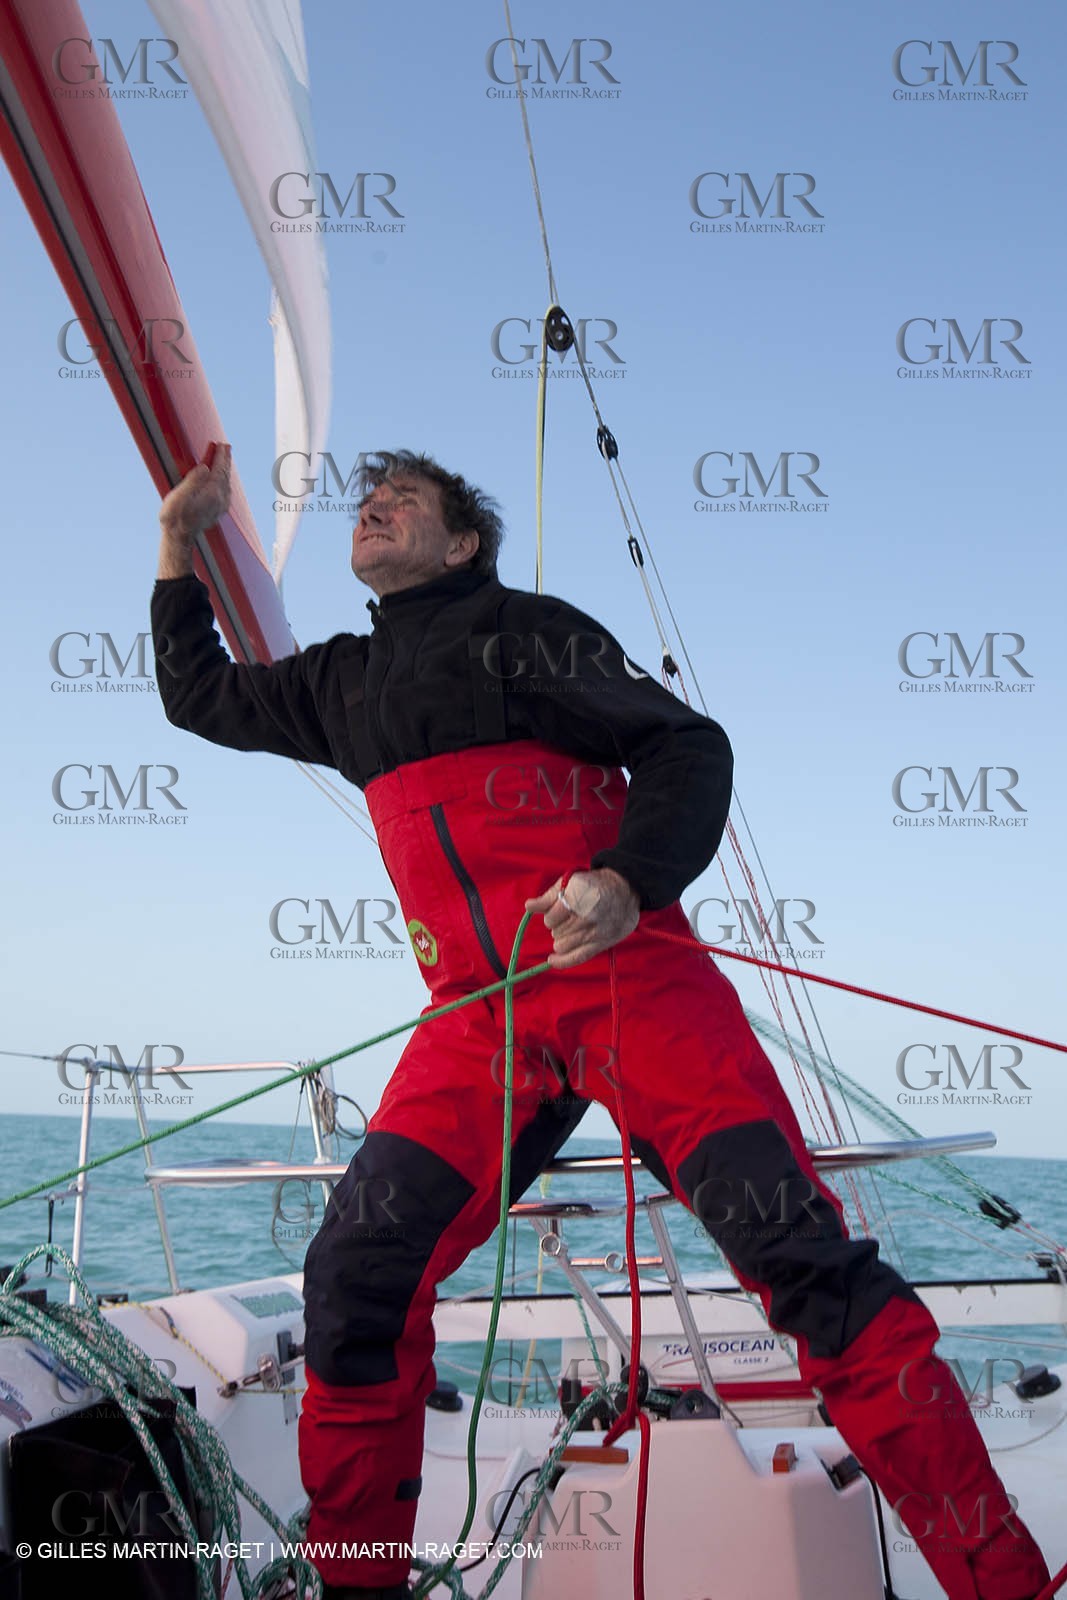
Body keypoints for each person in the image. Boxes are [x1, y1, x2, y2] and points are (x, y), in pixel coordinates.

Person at [152, 444, 1050, 1600]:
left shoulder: (530, 629)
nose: (371, 508)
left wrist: (627, 877)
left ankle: (1004, 1582)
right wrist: (180, 541)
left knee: (801, 1259)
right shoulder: (336, 683)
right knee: (356, 1272)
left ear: (462, 542)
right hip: (479, 1019)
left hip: (631, 977)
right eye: (365, 502)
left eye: (404, 500)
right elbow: (199, 697)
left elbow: (686, 743)